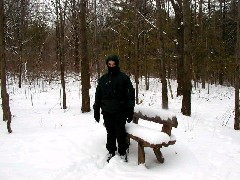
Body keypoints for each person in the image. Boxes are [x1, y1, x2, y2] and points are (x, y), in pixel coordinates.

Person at [93, 54, 135, 162]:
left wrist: (130, 110)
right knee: (110, 132)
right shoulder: (103, 79)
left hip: (120, 111)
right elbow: (98, 96)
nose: (111, 66)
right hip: (107, 111)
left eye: (113, 64)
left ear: (117, 64)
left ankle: (122, 152)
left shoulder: (124, 78)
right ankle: (111, 151)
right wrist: (96, 110)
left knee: (120, 132)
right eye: (109, 64)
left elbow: (130, 95)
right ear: (107, 64)